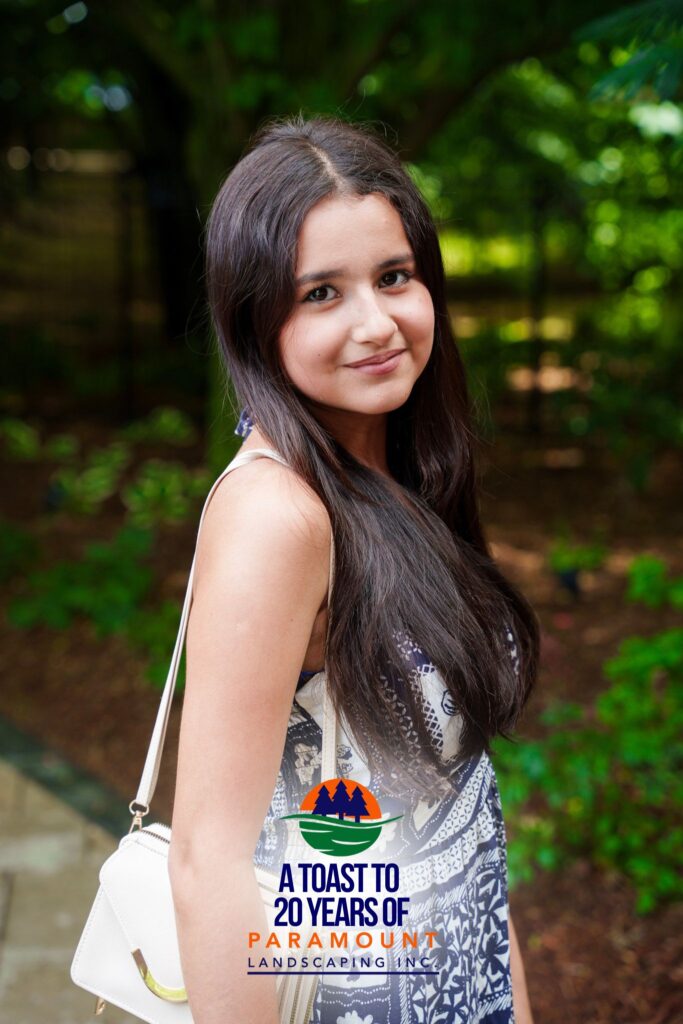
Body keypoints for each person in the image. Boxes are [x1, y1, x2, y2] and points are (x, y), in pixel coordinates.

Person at [169, 113, 539, 1024]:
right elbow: (206, 861)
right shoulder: (280, 515)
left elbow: (466, 809)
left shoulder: (392, 474)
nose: (376, 323)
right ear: (257, 321)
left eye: (393, 277)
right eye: (321, 294)